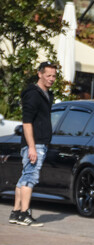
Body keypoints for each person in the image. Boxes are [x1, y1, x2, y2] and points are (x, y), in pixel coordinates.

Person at [9, 61, 57, 227]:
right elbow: (27, 122)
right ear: (40, 74)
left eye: (54, 76)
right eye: (48, 75)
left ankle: (15, 212)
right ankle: (24, 214)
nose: (51, 79)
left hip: (39, 142)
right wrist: (31, 146)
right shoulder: (33, 95)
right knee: (30, 177)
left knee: (24, 176)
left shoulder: (46, 95)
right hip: (35, 143)